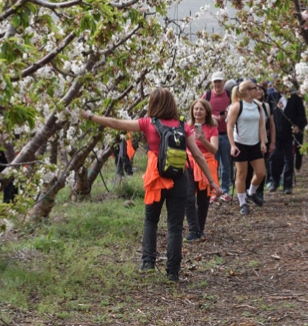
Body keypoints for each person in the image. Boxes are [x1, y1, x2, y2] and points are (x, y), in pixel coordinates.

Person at [80, 88, 220, 283]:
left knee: (151, 220)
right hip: (179, 177)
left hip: (156, 177)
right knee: (175, 226)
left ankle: (148, 262)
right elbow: (197, 155)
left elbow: (116, 123)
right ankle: (173, 272)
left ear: (153, 104)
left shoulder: (149, 124)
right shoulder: (182, 125)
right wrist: (212, 181)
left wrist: (90, 116)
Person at [227, 79, 267, 215]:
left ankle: (251, 192)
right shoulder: (237, 106)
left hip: (255, 143)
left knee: (261, 172)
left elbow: (261, 125)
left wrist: (263, 142)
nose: (258, 90)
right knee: (242, 174)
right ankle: (242, 202)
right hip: (240, 144)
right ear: (248, 92)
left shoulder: (258, 105)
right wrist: (232, 145)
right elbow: (230, 126)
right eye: (255, 88)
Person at [184, 99, 219, 242]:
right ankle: (193, 229)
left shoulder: (212, 128)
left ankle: (200, 229)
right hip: (190, 164)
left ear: (206, 112)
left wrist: (203, 139)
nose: (198, 111)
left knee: (203, 200)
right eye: (195, 109)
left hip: (206, 165)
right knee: (189, 197)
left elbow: (214, 149)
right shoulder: (187, 126)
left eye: (201, 109)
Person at [268, 82, 308, 194]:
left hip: (289, 134)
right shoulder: (271, 97)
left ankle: (287, 185)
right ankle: (274, 181)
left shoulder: (295, 97)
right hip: (276, 133)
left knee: (289, 159)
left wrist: (298, 127)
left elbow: (301, 115)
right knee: (275, 157)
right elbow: (267, 114)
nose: (276, 87)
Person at [203, 71, 233, 203]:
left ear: (224, 82)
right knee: (213, 164)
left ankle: (225, 190)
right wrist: (213, 117)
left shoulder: (229, 95)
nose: (217, 84)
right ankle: (214, 190)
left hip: (226, 134)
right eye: (215, 82)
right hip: (211, 136)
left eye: (220, 81)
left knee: (226, 165)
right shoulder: (207, 95)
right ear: (212, 83)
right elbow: (200, 110)